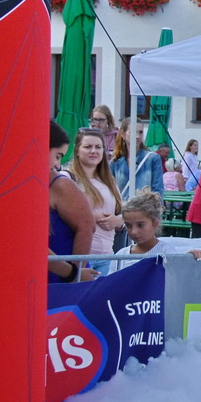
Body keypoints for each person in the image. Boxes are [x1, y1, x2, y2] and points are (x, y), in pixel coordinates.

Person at [66, 127, 125, 271]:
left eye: (98, 147)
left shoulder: (109, 181)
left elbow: (122, 213)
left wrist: (118, 221)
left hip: (107, 256)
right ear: (77, 151)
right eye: (88, 147)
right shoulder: (68, 178)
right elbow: (63, 213)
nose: (94, 151)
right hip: (79, 256)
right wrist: (93, 217)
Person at [49, 121, 96, 283]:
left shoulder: (59, 183)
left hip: (60, 280)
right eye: (57, 156)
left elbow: (87, 226)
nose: (57, 164)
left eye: (60, 157)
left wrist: (74, 273)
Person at [121, 191, 171, 258]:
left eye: (140, 225)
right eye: (128, 225)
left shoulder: (168, 253)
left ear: (155, 223)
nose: (134, 232)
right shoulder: (121, 255)